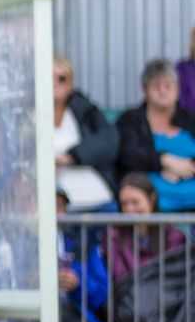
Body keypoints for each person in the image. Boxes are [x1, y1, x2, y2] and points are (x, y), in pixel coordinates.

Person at [115, 59, 195, 213]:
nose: (163, 91)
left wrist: (187, 167)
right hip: (151, 205)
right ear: (145, 90)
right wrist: (164, 161)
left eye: (168, 86)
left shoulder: (190, 120)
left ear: (177, 90)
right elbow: (127, 154)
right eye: (156, 86)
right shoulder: (131, 120)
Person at [50, 57, 119, 211]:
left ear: (71, 84)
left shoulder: (85, 110)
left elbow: (109, 142)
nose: (54, 83)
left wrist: (72, 156)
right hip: (50, 201)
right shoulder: (26, 115)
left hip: (94, 196)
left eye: (61, 78)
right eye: (48, 77)